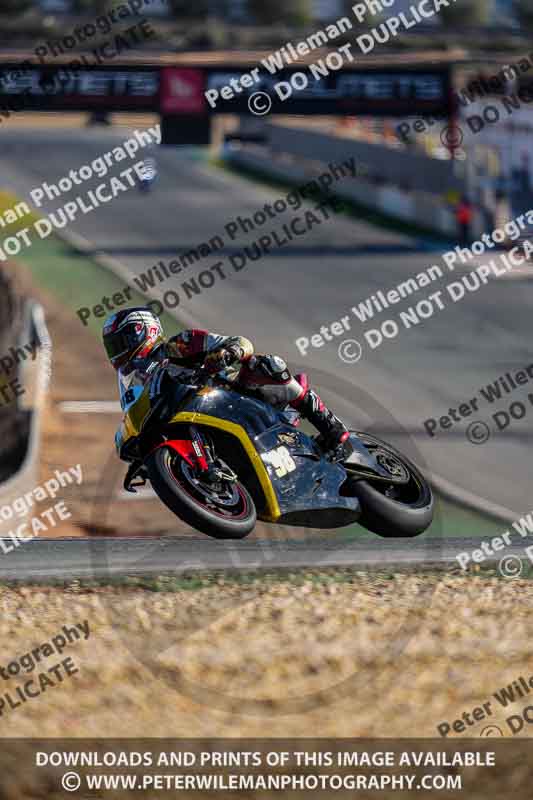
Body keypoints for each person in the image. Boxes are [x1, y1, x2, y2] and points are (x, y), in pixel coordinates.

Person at [102, 306, 352, 461]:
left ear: (141, 331)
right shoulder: (134, 381)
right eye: (112, 347)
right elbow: (134, 414)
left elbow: (242, 342)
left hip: (235, 396)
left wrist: (226, 353)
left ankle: (331, 427)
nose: (117, 352)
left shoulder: (177, 346)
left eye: (119, 343)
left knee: (266, 365)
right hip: (200, 421)